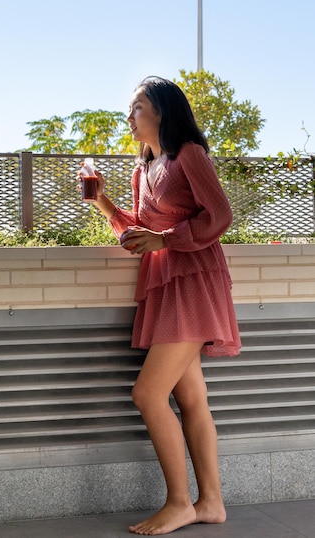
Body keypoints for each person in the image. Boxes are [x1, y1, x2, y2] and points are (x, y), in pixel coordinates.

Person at [86, 76, 241, 535]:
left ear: (161, 110)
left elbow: (220, 215)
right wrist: (100, 202)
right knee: (190, 396)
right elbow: (138, 235)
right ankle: (211, 502)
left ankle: (179, 503)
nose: (129, 117)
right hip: (165, 282)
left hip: (194, 279)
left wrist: (167, 238)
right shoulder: (143, 169)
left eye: (136, 108)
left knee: (148, 393)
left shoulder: (188, 154)